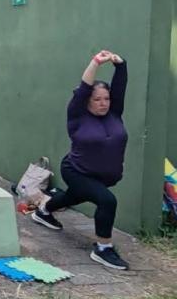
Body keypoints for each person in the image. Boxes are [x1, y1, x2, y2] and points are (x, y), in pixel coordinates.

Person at [31, 50, 130, 270]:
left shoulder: (115, 113)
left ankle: (44, 211)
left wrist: (120, 64)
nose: (103, 103)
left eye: (106, 99)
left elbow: (121, 84)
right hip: (76, 170)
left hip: (102, 176)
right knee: (107, 201)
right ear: (87, 102)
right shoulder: (77, 116)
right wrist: (96, 62)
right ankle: (103, 249)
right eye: (97, 99)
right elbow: (84, 87)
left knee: (73, 197)